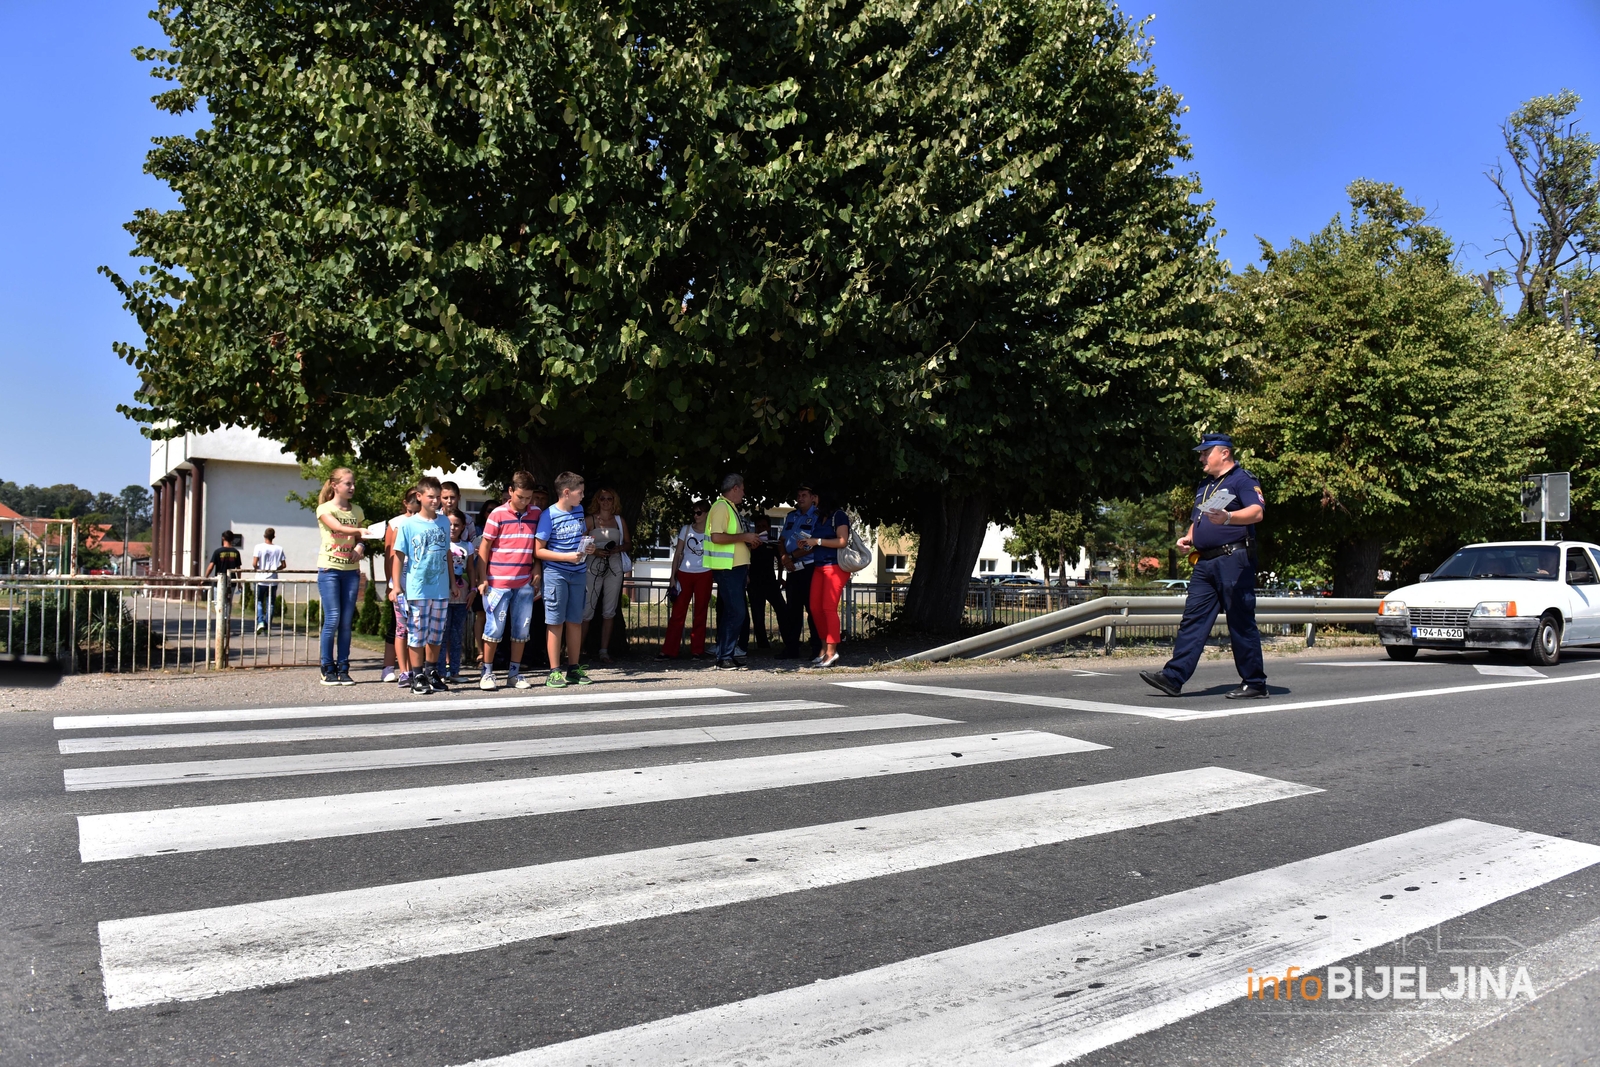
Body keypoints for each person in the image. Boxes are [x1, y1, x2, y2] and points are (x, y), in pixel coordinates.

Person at [1140, 433, 1268, 700]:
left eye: (1204, 453)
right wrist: (1189, 537)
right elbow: (1199, 518)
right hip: (1205, 561)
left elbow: (1256, 512)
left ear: (1224, 453)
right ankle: (1173, 678)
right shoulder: (1206, 485)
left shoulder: (1242, 479)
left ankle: (1255, 683)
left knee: (1240, 621)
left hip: (1233, 560)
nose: (1200, 458)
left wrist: (1229, 517)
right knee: (1193, 620)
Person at [477, 471, 543, 690]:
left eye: (529, 498)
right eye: (521, 497)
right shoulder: (497, 514)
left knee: (522, 630)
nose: (525, 502)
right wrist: (482, 577)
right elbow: (484, 547)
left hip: (524, 583)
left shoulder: (536, 513)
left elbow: (537, 546)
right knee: (494, 629)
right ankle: (487, 673)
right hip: (498, 582)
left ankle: (514, 674)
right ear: (511, 491)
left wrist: (536, 567)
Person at [393, 476, 453, 694]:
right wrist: (396, 586)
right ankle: (416, 674)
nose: (436, 501)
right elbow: (398, 555)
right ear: (419, 497)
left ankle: (431, 670)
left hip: (440, 587)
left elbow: (446, 552)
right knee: (417, 632)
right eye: (431, 497)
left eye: (438, 497)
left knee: (436, 633)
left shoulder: (444, 522)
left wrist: (452, 582)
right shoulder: (408, 524)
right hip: (418, 587)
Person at [535, 471, 595, 687]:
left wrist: (588, 547)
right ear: (567, 492)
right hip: (556, 574)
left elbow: (581, 536)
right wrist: (565, 557)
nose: (583, 497)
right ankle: (554, 671)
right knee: (555, 622)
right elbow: (538, 551)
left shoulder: (579, 510)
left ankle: (573, 668)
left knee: (575, 622)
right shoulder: (548, 515)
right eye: (580, 493)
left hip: (578, 572)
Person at [704, 473, 763, 671]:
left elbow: (730, 538)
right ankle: (725, 656)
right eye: (743, 489)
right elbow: (717, 537)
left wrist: (746, 540)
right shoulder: (721, 507)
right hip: (728, 569)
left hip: (734, 568)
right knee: (737, 612)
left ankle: (725, 654)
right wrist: (744, 536)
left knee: (733, 612)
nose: (744, 493)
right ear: (735, 488)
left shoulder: (729, 507)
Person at [313, 468, 366, 686]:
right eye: (347, 484)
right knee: (333, 617)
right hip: (330, 570)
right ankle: (327, 667)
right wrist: (362, 533)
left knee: (346, 621)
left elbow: (362, 537)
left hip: (351, 571)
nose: (352, 487)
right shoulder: (324, 509)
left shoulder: (358, 511)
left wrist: (361, 546)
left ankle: (343, 667)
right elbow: (338, 528)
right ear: (335, 486)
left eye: (353, 484)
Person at [796, 497, 851, 668]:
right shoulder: (821, 518)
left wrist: (817, 541)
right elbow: (815, 543)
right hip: (819, 566)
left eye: (815, 496)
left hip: (834, 567)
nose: (813, 499)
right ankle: (823, 648)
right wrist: (806, 544)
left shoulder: (839, 516)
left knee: (828, 609)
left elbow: (842, 541)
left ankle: (831, 652)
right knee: (815, 608)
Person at [582, 487, 631, 663]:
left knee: (609, 610)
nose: (606, 502)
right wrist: (595, 552)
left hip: (614, 565)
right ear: (597, 500)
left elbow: (627, 543)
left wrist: (618, 548)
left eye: (609, 498)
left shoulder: (619, 521)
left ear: (614, 501)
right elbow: (579, 544)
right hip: (592, 565)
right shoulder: (590, 521)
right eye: (602, 498)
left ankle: (604, 651)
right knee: (587, 609)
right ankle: (576, 651)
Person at [658, 502, 713, 660]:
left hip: (705, 573)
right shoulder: (686, 529)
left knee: (700, 613)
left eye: (699, 513)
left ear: (707, 514)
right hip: (684, 574)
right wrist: (672, 577)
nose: (695, 516)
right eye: (694, 512)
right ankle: (669, 650)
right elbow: (677, 554)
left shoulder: (712, 532)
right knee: (677, 613)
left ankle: (697, 650)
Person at [778, 485, 823, 660]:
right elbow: (782, 540)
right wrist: (784, 557)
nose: (800, 498)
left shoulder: (818, 517)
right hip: (792, 568)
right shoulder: (791, 516)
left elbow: (813, 544)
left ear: (813, 497)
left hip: (809, 568)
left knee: (812, 609)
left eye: (804, 495)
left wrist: (790, 556)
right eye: (798, 495)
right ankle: (791, 648)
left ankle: (816, 648)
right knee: (792, 610)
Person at [385, 487, 422, 688]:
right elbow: (392, 557)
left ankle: (417, 669)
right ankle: (404, 671)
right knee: (402, 628)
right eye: (412, 502)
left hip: (420, 586)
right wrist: (392, 584)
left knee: (417, 628)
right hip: (401, 586)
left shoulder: (428, 523)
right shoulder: (398, 525)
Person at [444, 509, 479, 682]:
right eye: (449, 524)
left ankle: (455, 671)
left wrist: (473, 590)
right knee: (442, 635)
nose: (452, 528)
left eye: (456, 525)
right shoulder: (442, 544)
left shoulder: (468, 546)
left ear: (463, 526)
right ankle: (440, 671)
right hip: (443, 595)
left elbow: (471, 569)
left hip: (462, 595)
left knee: (456, 635)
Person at [745, 514, 786, 652]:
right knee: (758, 615)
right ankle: (763, 645)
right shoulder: (750, 542)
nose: (760, 528)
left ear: (768, 527)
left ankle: (789, 640)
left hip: (770, 582)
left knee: (782, 609)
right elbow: (745, 559)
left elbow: (780, 560)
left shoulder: (772, 542)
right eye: (758, 526)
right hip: (754, 583)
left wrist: (780, 577)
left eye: (763, 526)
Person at [205, 531, 244, 638]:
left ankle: (220, 621)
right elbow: (238, 569)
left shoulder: (218, 552)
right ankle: (226, 620)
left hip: (219, 582)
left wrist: (205, 578)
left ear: (223, 538)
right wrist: (239, 583)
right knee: (228, 603)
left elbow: (211, 566)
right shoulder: (236, 552)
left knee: (217, 602)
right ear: (232, 539)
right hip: (231, 582)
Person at [251, 528, 287, 634]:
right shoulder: (279, 548)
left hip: (260, 579)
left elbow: (254, 563)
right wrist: (275, 569)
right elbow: (284, 565)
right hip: (273, 579)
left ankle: (261, 621)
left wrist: (257, 568)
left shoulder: (258, 547)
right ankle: (267, 626)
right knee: (270, 604)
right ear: (273, 537)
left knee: (259, 602)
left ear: (264, 536)